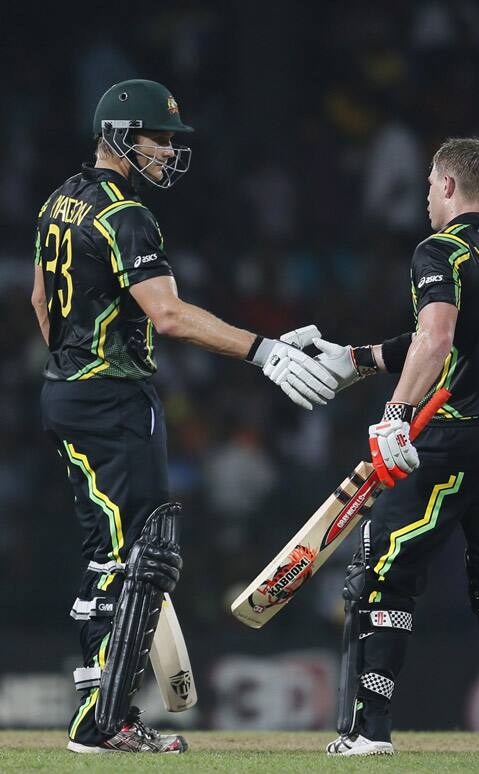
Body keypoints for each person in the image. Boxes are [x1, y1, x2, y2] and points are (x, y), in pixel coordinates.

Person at [31, 78, 337, 754]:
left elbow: (39, 302)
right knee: (146, 554)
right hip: (112, 396)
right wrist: (264, 352)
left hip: (65, 391)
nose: (167, 151)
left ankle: (97, 706)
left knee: (108, 555)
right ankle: (105, 721)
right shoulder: (123, 214)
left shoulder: (60, 200)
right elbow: (167, 316)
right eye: (157, 137)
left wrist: (67, 370)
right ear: (119, 134)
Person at [315, 138, 479, 757]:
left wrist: (394, 414)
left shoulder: (439, 250)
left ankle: (367, 733)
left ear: (449, 185)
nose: (425, 195)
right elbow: (459, 339)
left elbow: (438, 337)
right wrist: (359, 359)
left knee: (381, 579)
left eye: (429, 183)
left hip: (447, 437)